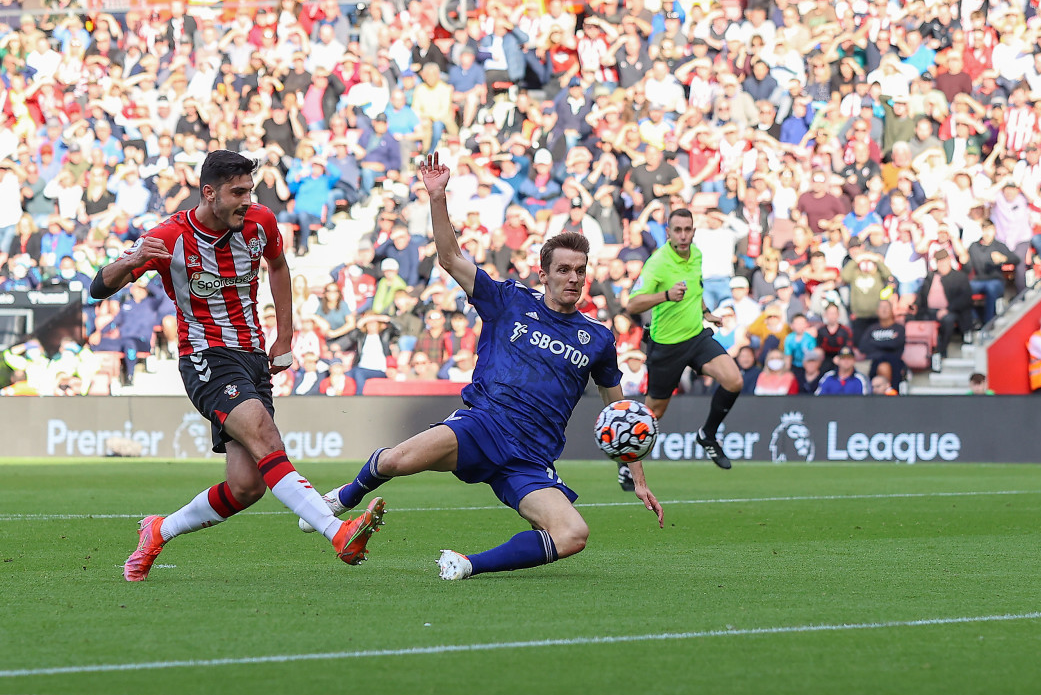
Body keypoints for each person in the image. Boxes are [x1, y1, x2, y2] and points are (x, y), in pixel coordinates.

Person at [312, 154, 662, 581]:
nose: (573, 278)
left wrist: (637, 473)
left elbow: (619, 414)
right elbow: (450, 258)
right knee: (396, 461)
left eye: (580, 271)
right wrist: (437, 197)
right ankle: (342, 500)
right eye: (564, 270)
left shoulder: (598, 337)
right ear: (544, 274)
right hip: (482, 426)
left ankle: (466, 565)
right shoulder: (509, 300)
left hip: (530, 458)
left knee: (572, 534)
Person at [91, 151, 385, 582]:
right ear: (209, 193)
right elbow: (100, 286)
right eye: (238, 192)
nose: (248, 200)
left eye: (251, 190)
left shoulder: (260, 222)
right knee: (266, 435)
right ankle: (338, 532)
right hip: (205, 358)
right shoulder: (170, 236)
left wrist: (285, 335)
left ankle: (159, 529)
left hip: (252, 359)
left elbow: (280, 267)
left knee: (247, 486)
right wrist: (130, 261)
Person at [624, 206, 745, 487]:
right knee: (654, 413)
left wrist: (707, 313)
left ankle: (707, 434)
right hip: (666, 345)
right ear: (668, 233)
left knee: (734, 380)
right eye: (677, 230)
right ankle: (627, 459)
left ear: (693, 231)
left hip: (696, 336)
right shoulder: (657, 263)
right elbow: (632, 303)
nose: (683, 235)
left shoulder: (697, 254)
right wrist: (665, 295)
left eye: (687, 230)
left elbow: (695, 288)